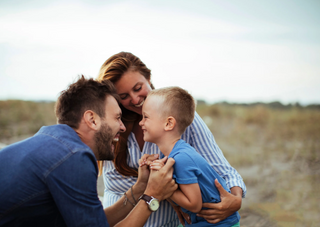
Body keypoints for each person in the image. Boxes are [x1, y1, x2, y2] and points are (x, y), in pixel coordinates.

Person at [0, 76, 177, 227]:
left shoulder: (54, 144)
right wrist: (152, 196)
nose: (123, 127)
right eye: (117, 118)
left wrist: (139, 189)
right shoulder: (74, 156)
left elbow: (95, 222)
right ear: (92, 119)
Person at [97, 52, 246, 227]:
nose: (135, 99)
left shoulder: (178, 117)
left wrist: (235, 200)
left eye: (138, 88)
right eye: (124, 96)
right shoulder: (113, 127)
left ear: (148, 78)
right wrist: (155, 188)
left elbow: (220, 169)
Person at [139, 87, 240, 227]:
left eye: (146, 117)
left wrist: (164, 188)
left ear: (168, 123)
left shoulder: (182, 158)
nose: (141, 122)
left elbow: (194, 205)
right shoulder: (168, 154)